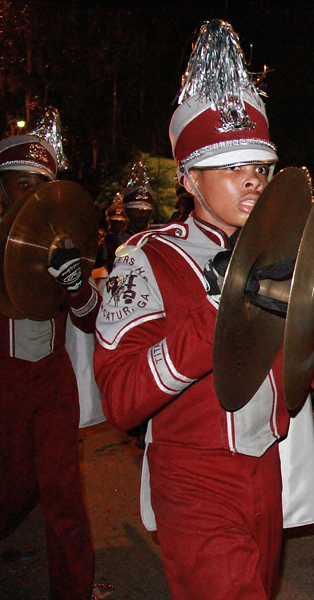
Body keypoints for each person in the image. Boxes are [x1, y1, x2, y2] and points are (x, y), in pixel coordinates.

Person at [93, 21, 314, 600]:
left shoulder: (283, 257)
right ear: (188, 177)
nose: (253, 179)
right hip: (193, 476)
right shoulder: (149, 258)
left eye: (261, 167)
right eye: (230, 165)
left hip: (266, 468)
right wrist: (218, 310)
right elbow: (121, 400)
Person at [0, 108, 98, 600]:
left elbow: (90, 318)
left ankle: (74, 590)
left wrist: (76, 286)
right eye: (20, 184)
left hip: (53, 385)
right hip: (5, 386)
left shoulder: (62, 241)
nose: (30, 195)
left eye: (40, 185)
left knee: (64, 496)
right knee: (12, 490)